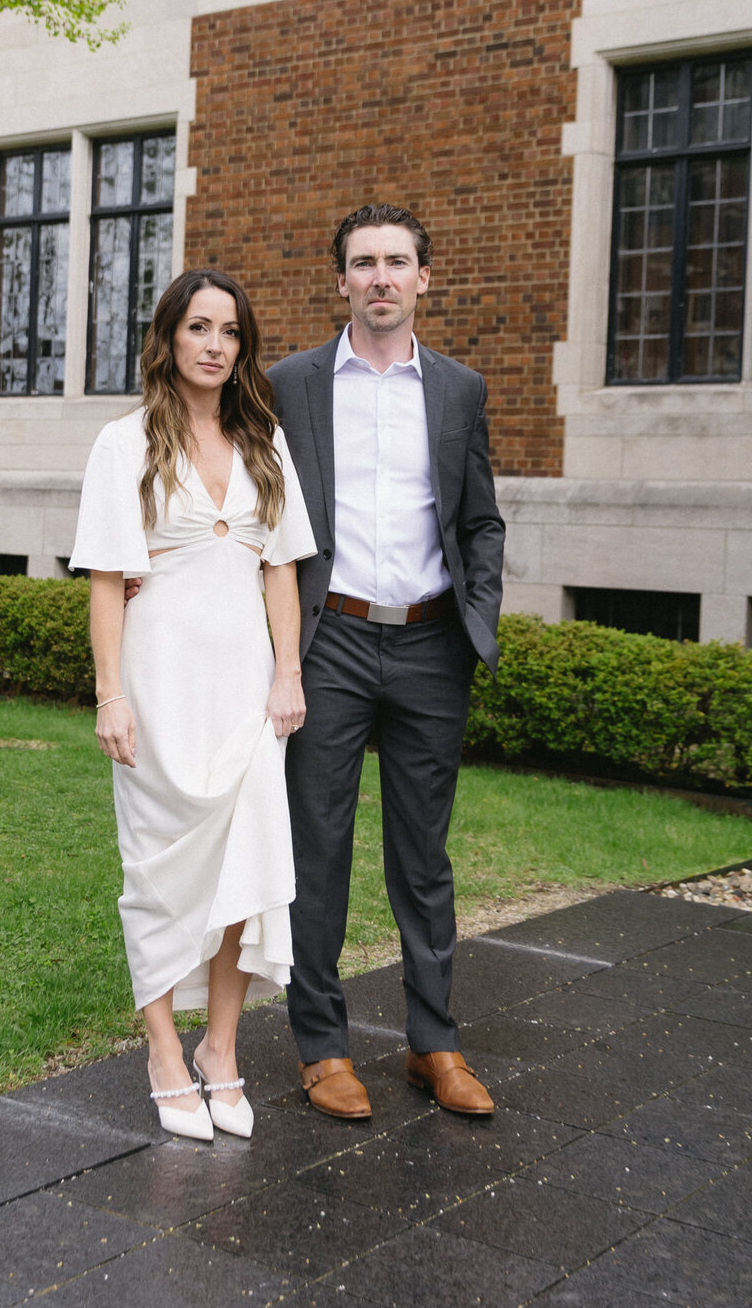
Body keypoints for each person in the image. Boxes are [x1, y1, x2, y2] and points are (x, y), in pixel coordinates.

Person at [268, 205, 505, 1120]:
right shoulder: (290, 385)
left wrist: (476, 620)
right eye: (363, 263)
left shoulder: (459, 389)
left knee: (424, 856)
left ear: (422, 279)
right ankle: (322, 1048)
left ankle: (433, 1043)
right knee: (318, 848)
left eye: (396, 262)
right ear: (340, 281)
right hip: (329, 642)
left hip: (431, 647)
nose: (380, 278)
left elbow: (480, 519)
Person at [70, 268, 316, 1141]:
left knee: (244, 864)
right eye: (200, 327)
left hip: (246, 684)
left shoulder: (264, 440)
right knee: (157, 869)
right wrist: (110, 695)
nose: (215, 345)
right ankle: (163, 1052)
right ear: (169, 336)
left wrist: (288, 673)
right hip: (158, 679)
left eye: (231, 332)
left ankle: (219, 1047)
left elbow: (280, 569)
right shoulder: (124, 443)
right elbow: (107, 580)